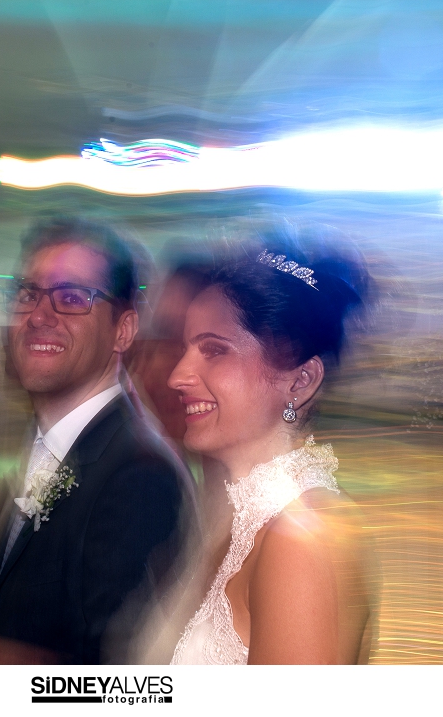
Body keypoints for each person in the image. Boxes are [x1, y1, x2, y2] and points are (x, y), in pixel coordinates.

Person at [0, 216, 196, 664]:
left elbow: (122, 680)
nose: (39, 315)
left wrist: (1, 665)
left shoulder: (140, 475)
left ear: (123, 330)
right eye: (27, 294)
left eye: (72, 297)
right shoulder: (49, 449)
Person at [166, 232, 377, 664]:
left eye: (214, 350)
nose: (177, 376)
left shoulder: (301, 540)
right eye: (185, 348)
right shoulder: (245, 516)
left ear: (300, 381)